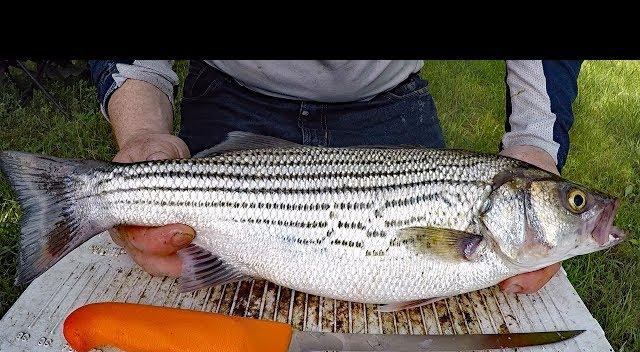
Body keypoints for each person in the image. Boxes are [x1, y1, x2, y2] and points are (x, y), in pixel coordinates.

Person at [88, 60, 582, 294]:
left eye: (573, 203)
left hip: (388, 98)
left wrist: (535, 140)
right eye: (575, 203)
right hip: (232, 94)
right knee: (199, 288)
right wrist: (142, 134)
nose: (581, 209)